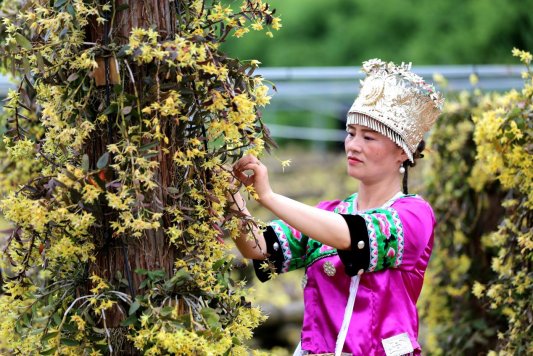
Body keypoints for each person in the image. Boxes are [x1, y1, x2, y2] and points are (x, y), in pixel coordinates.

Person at [229, 59, 444, 356]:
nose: (353, 145)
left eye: (368, 137)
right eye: (350, 132)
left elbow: (352, 235)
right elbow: (257, 247)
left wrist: (268, 196)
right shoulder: (327, 213)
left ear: (402, 152)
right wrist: (232, 198)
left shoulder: (414, 215)